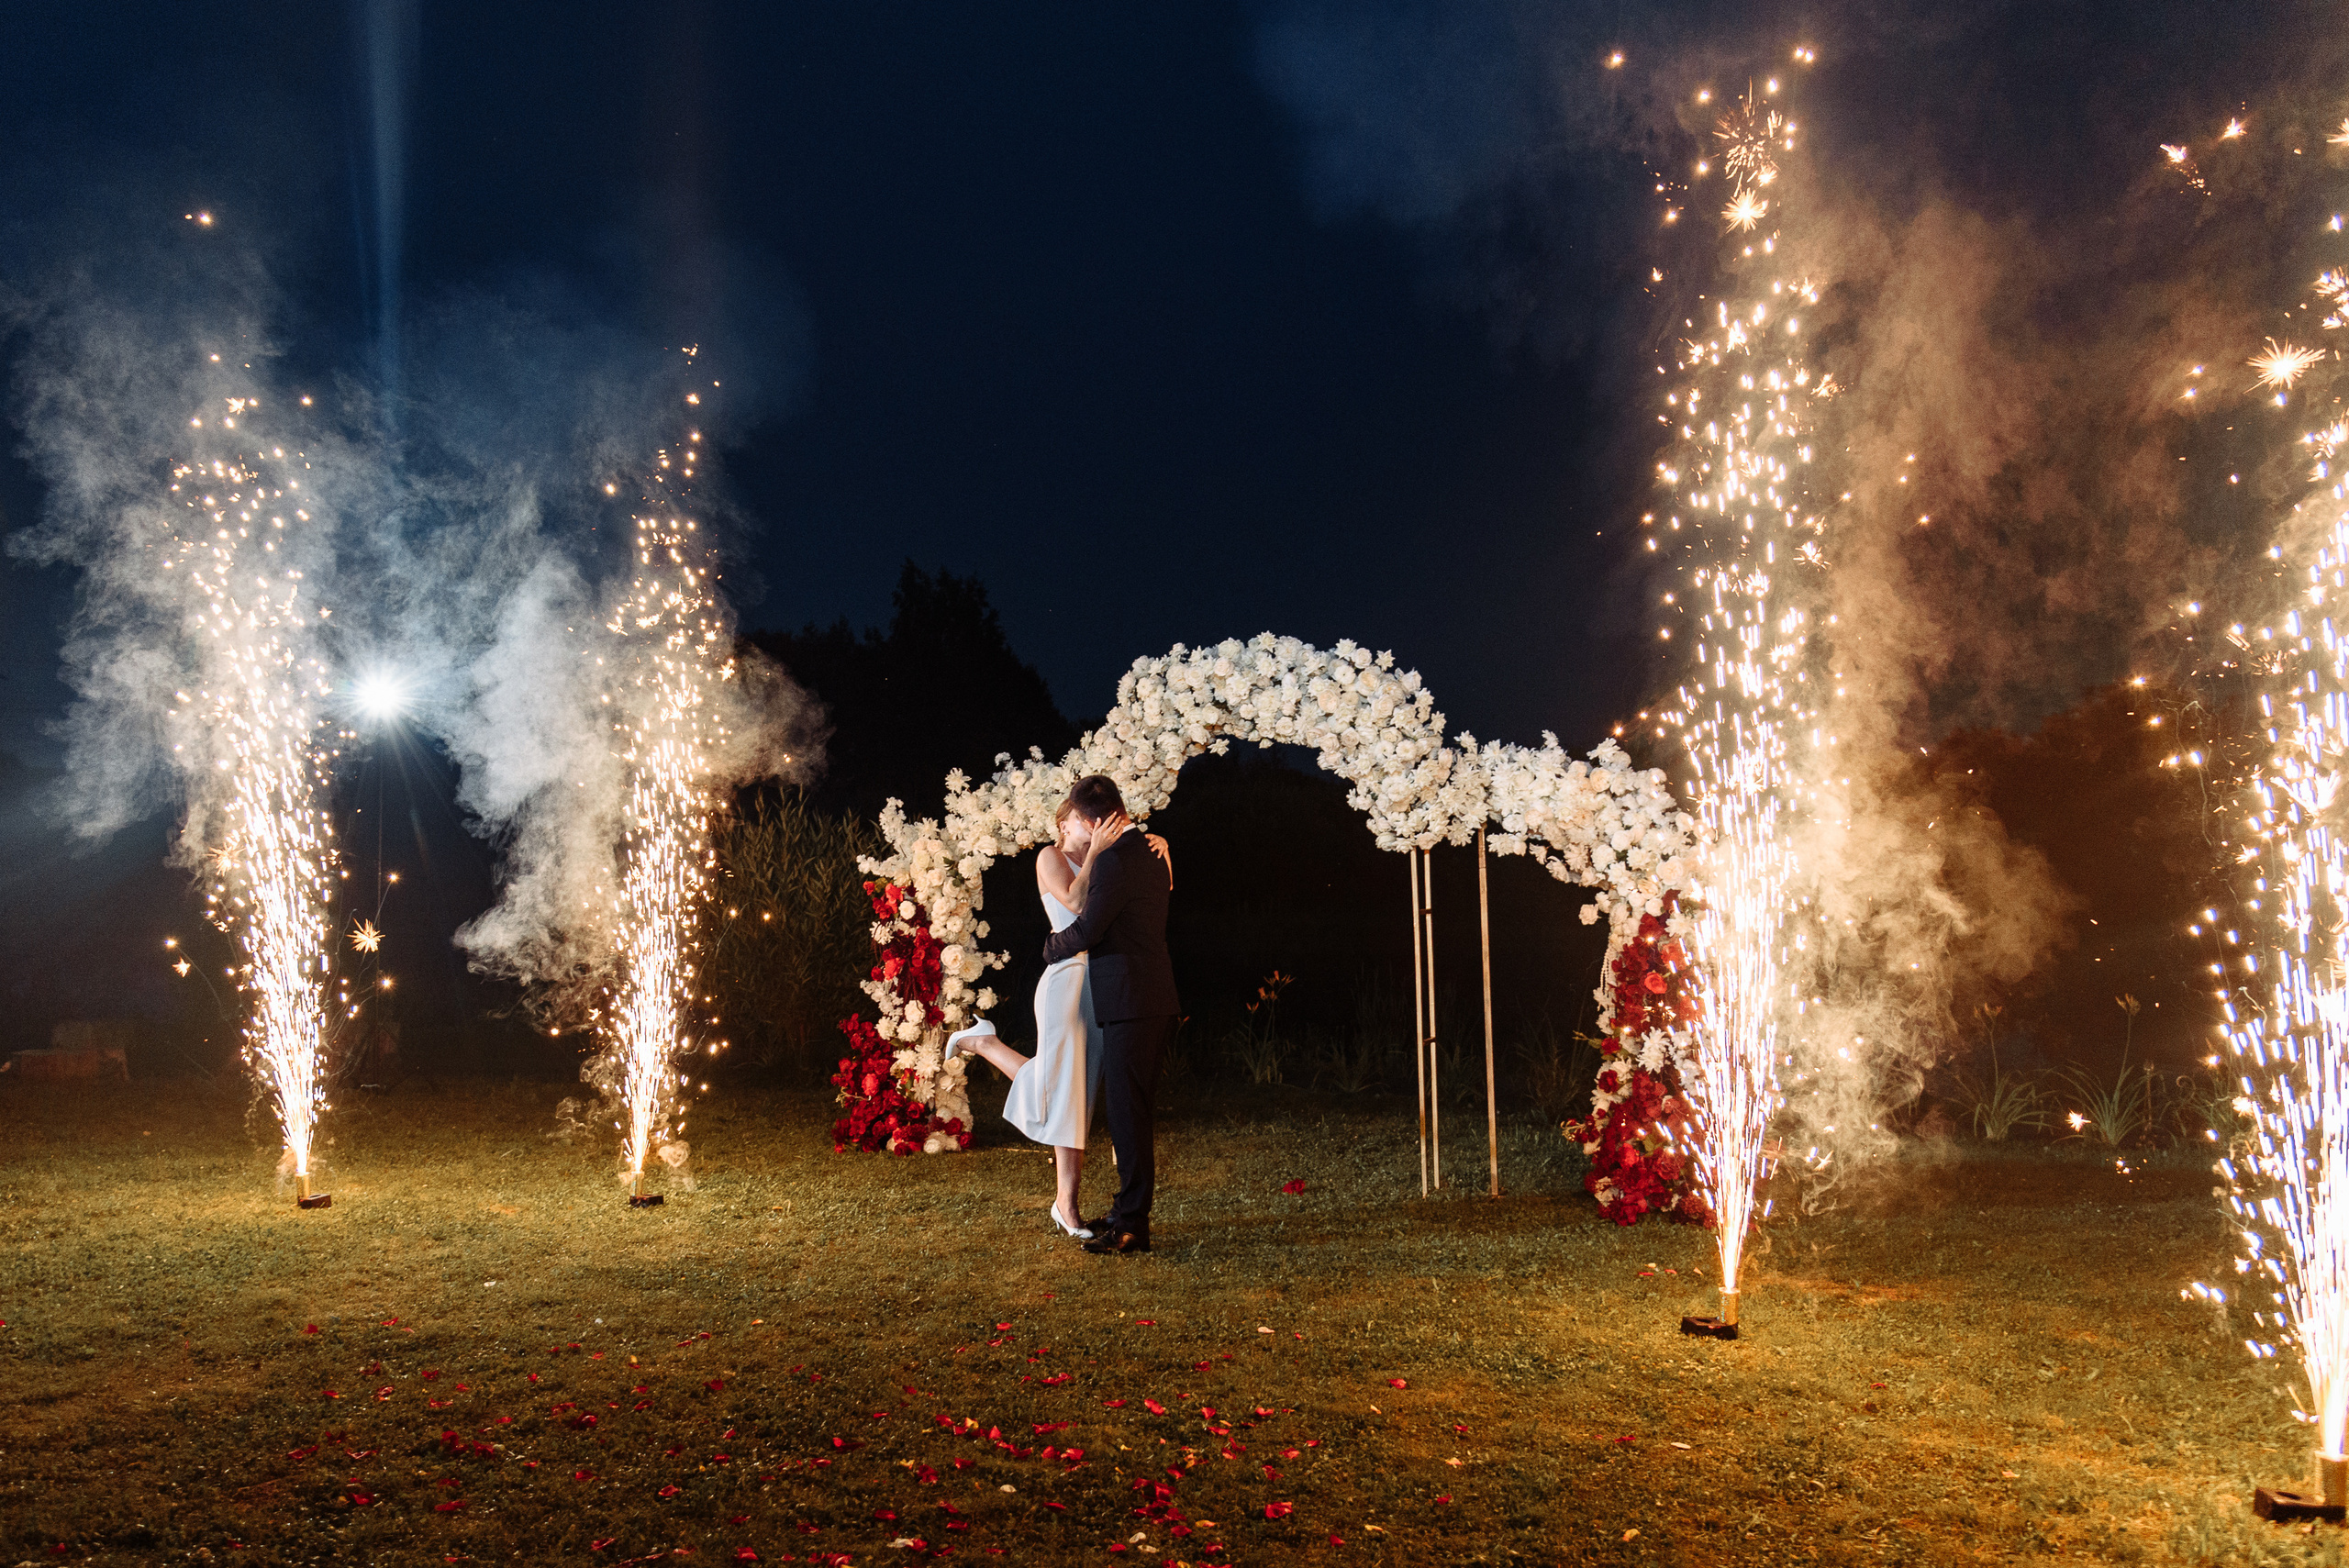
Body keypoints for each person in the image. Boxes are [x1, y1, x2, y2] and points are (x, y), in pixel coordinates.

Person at [945, 797, 1171, 1240]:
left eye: (1091, 820)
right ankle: (1066, 1204)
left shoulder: (1111, 857)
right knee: (1064, 1087)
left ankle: (986, 1042)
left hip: (1102, 979)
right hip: (1067, 978)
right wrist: (1099, 858)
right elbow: (1073, 899)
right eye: (1076, 820)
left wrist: (1154, 845)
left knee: (1078, 1089)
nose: (1087, 826)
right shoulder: (1050, 856)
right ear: (1064, 824)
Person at [1040, 773, 1179, 1256]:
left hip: (1132, 1000)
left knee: (1128, 1115)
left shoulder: (1116, 862)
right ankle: (1124, 1213)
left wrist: (1050, 947)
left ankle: (1132, 1226)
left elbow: (1087, 931)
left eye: (1078, 817)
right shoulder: (1151, 851)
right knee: (1128, 1112)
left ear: (1091, 820)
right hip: (1147, 996)